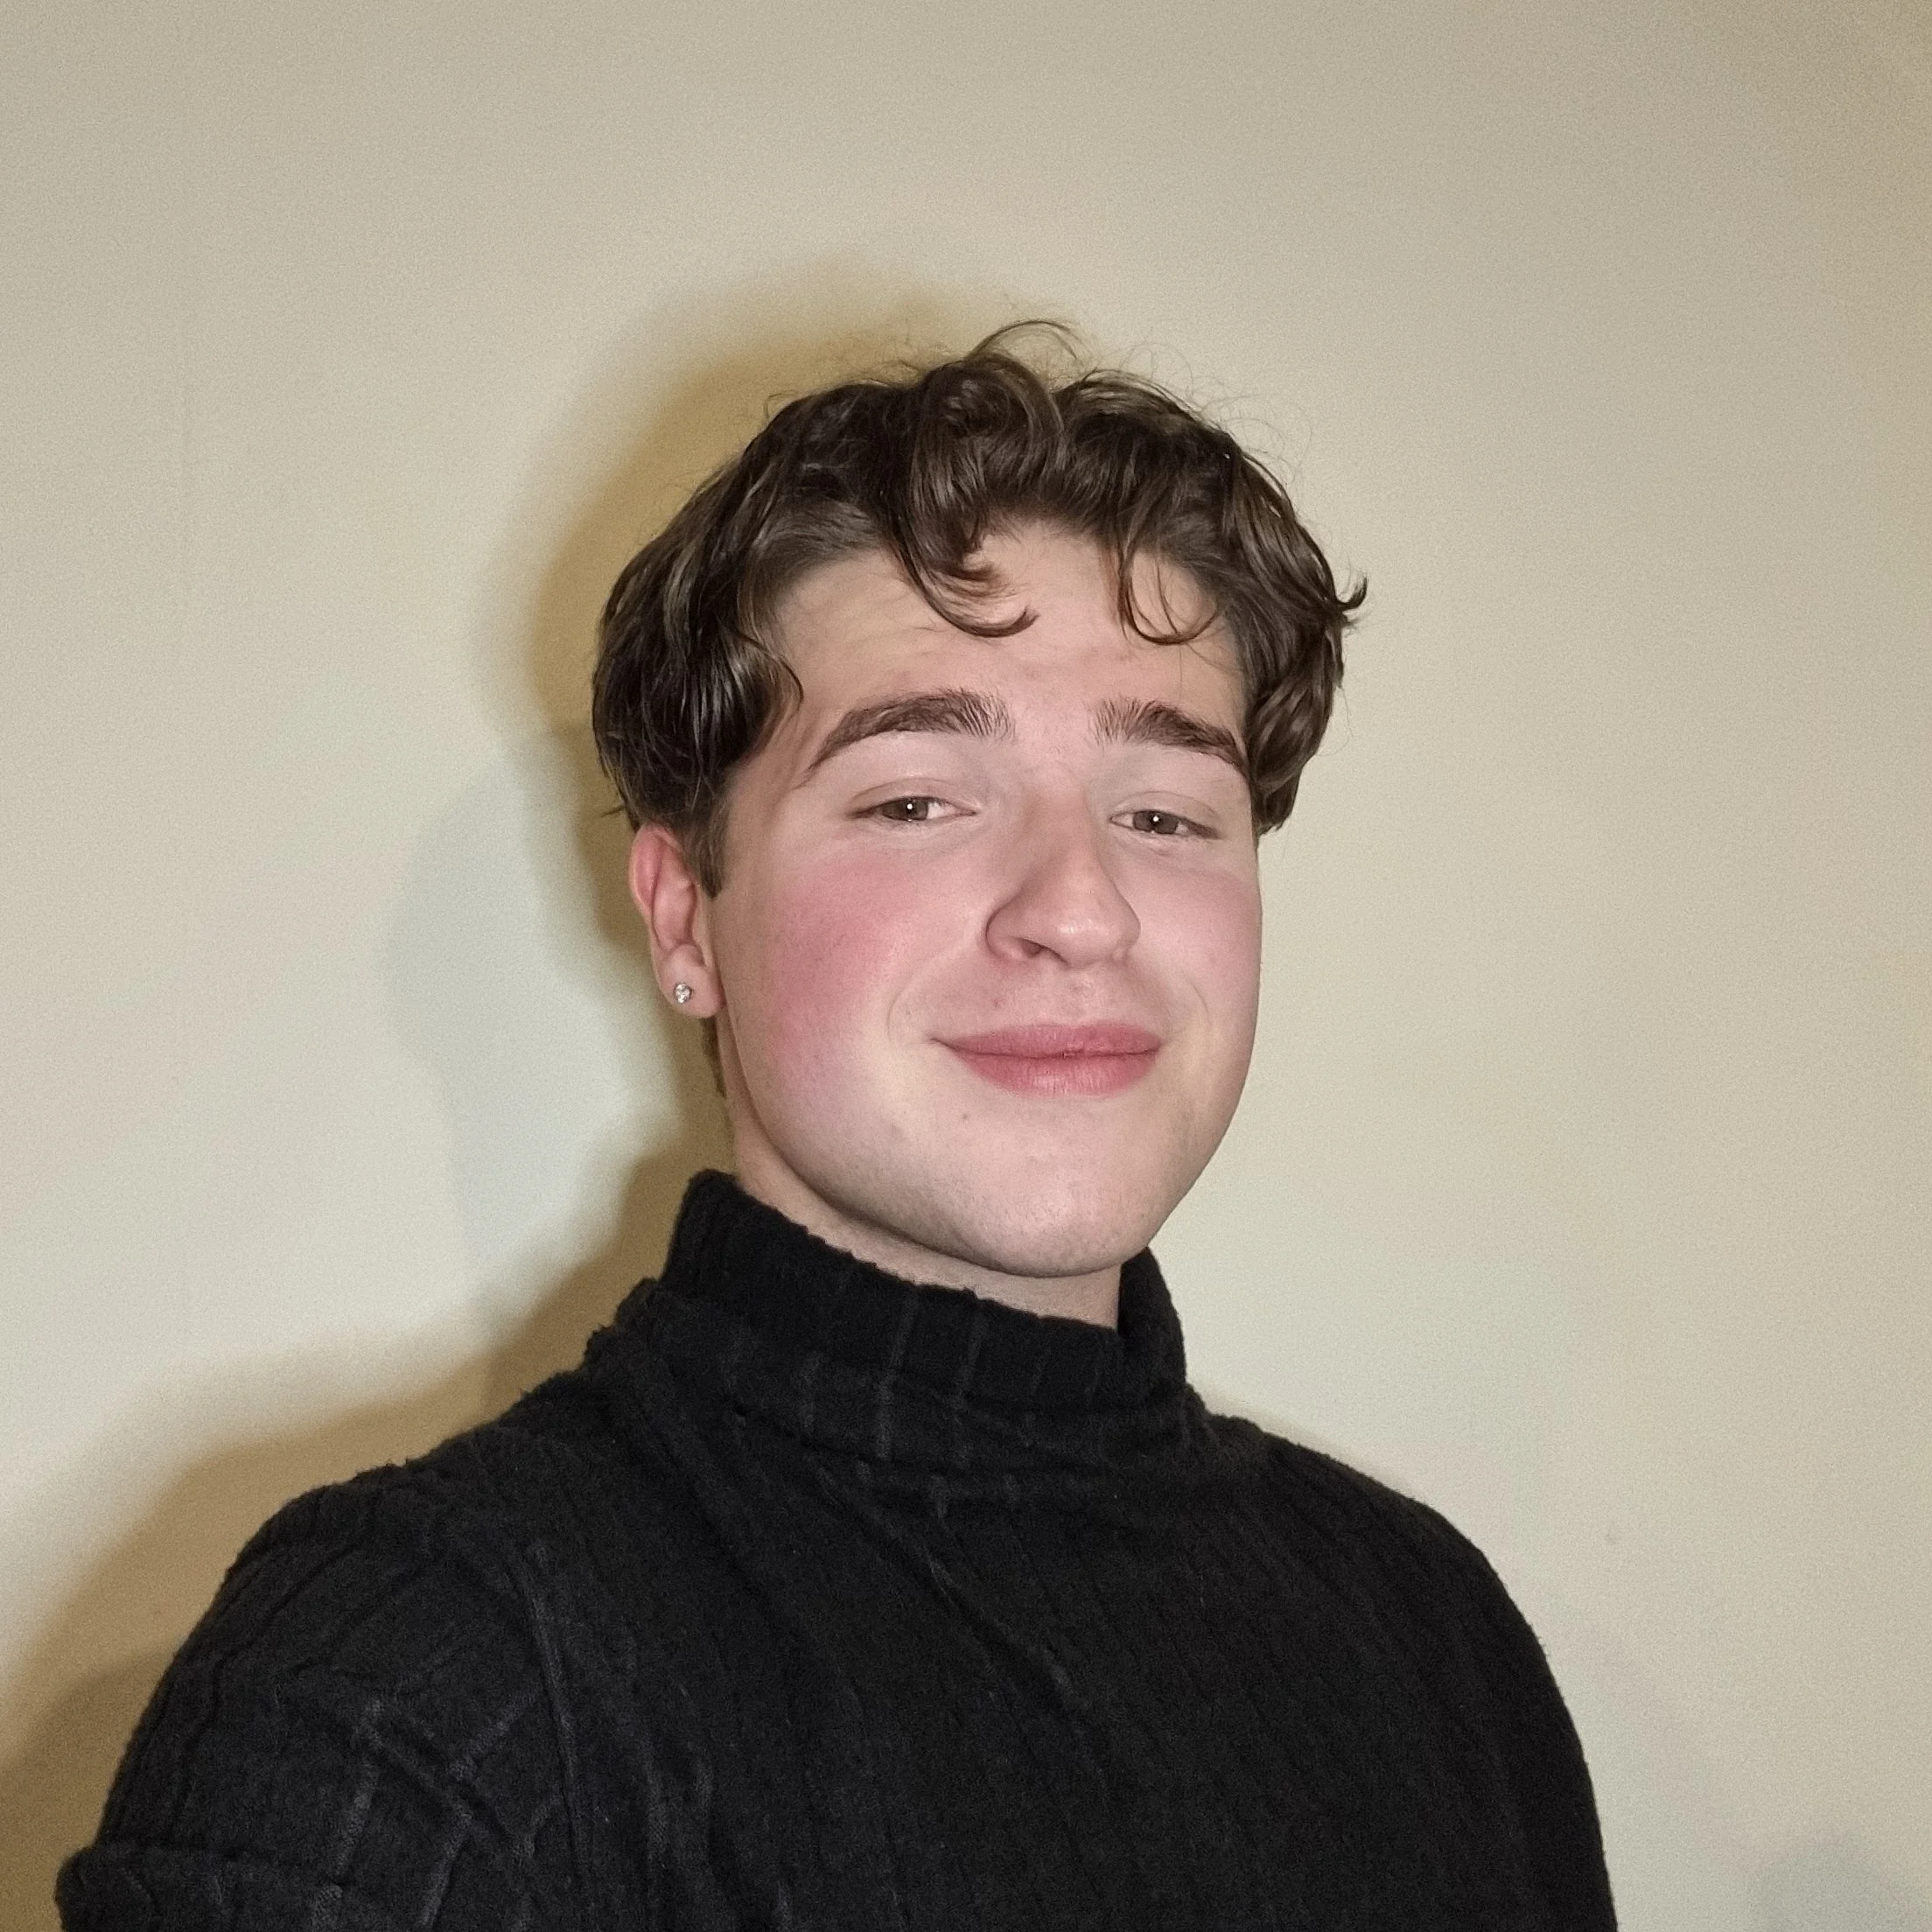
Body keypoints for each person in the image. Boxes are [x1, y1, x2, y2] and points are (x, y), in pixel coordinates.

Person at [59, 330, 1616, 1928]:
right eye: (916, 799)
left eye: (1165, 813)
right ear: (684, 915)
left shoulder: (1431, 1631)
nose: (1082, 909)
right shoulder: (417, 1667)